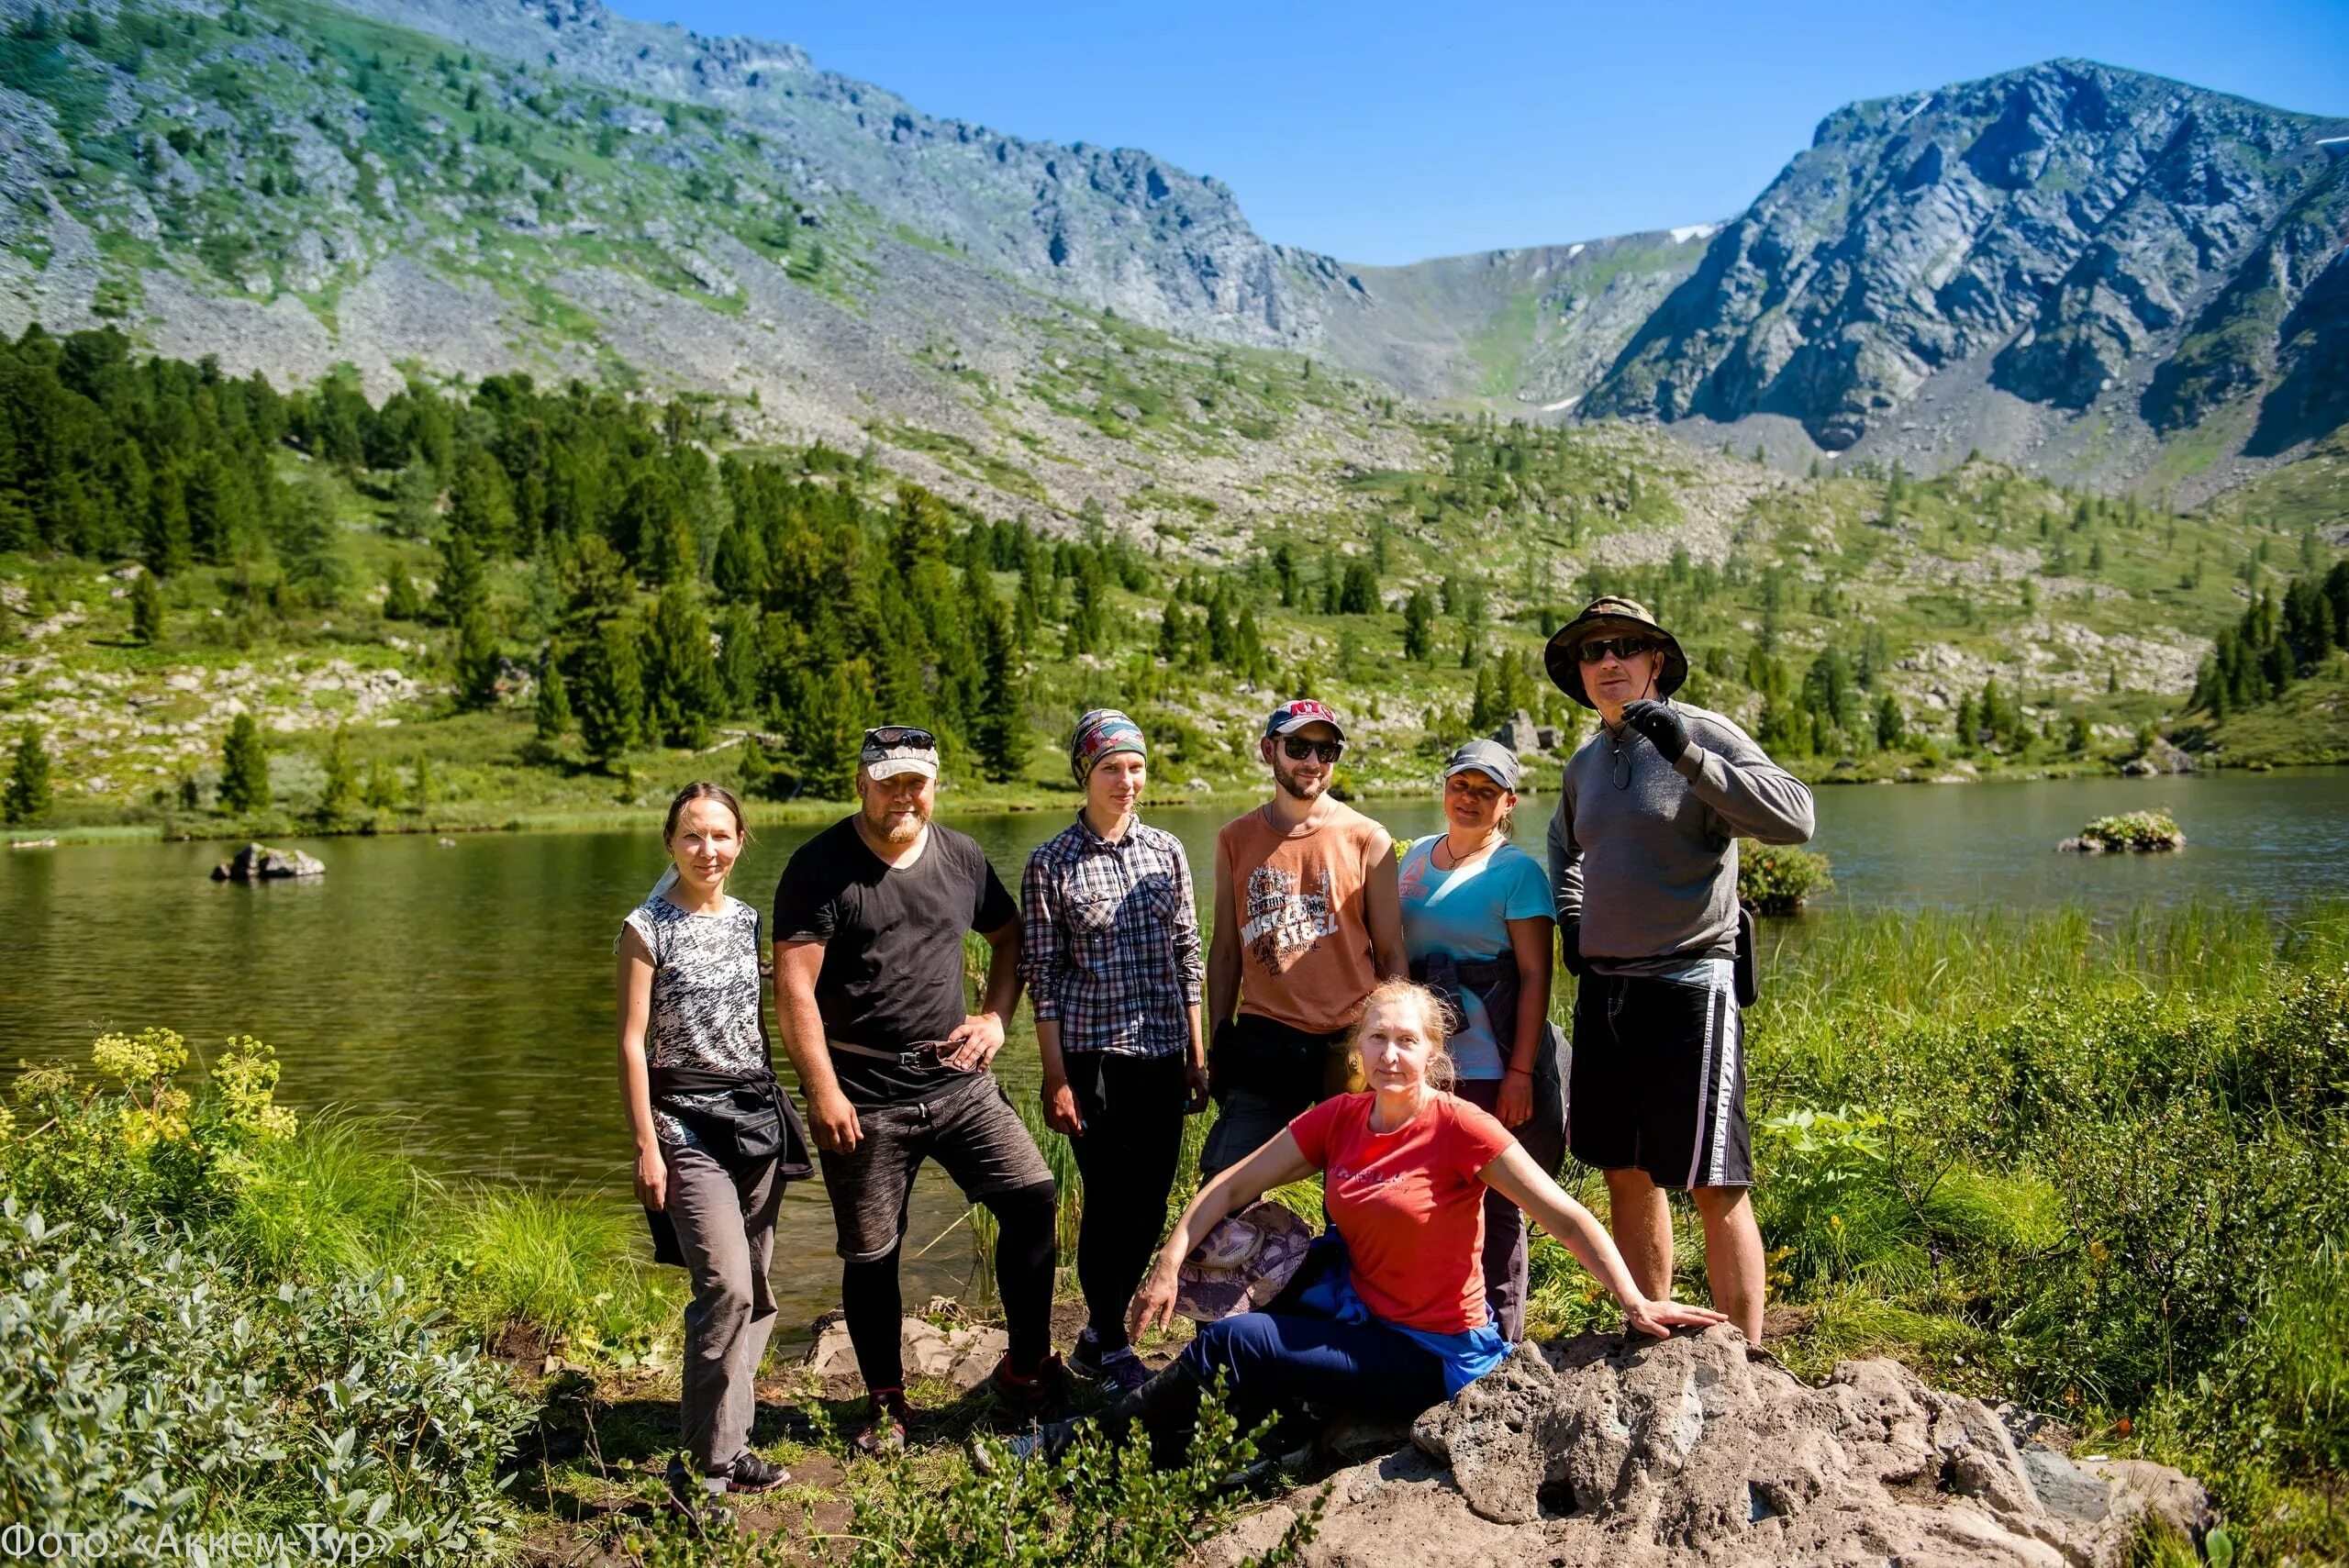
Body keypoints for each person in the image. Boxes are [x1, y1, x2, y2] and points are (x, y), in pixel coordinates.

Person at [985, 981, 1724, 1469]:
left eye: (1407, 1041)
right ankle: (1204, 1436)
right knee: (1272, 1282)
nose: (1391, 1054)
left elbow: (1563, 1215)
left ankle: (1074, 1446)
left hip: (1434, 1354)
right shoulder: (1342, 1118)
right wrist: (1171, 1258)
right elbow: (1235, 1182)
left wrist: (1635, 1300)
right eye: (1377, 1039)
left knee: (1238, 1341)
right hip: (1361, 1311)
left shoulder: (1462, 1128)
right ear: (1358, 1049)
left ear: (1434, 1053)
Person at [771, 726, 1068, 1453]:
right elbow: (794, 988)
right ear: (862, 783)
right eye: (890, 780)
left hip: (959, 1079)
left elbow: (1009, 936)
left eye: (917, 781)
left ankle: (1025, 1368)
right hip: (863, 1090)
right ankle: (886, 1402)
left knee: (1032, 1198)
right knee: (873, 1252)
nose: (905, 794)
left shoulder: (961, 856)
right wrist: (823, 1091)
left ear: (934, 785)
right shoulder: (818, 867)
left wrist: (997, 1017)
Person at [1542, 596, 1816, 1345]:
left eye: (1626, 647)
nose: (1609, 662)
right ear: (1580, 672)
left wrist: (1690, 757)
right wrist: (1573, 917)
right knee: (1624, 1169)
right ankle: (1651, 1331)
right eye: (1594, 651)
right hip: (1607, 989)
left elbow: (1796, 816)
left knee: (1713, 1178)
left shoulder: (1704, 732)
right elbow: (1565, 847)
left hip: (1692, 980)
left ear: (1655, 661)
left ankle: (1747, 1362)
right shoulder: (1586, 763)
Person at [617, 783, 813, 1520]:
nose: (709, 849)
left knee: (758, 1293)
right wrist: (648, 1144)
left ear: (741, 841)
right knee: (725, 1287)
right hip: (683, 1128)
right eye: (693, 835)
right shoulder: (646, 927)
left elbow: (758, 1022)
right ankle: (696, 1473)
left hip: (753, 1121)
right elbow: (632, 1042)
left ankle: (729, 1447)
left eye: (722, 835)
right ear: (670, 842)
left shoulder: (747, 921)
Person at [1020, 710, 1209, 1395]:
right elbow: (1042, 977)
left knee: (1153, 1197)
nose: (1126, 780)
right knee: (1106, 1199)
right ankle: (1106, 1333)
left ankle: (1101, 1334)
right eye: (1111, 768)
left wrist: (1196, 1051)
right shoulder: (1050, 862)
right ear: (1086, 773)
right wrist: (1054, 1076)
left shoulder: (1167, 851)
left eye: (1135, 767)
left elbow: (1188, 954)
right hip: (1092, 1056)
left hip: (1161, 1050)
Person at [1397, 739, 1562, 1342]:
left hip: (1489, 1061)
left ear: (1508, 802)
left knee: (1495, 1199)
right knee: (1427, 1194)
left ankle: (1500, 1335)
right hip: (1419, 1064)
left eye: (1485, 791)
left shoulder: (1516, 873)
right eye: (1461, 785)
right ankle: (1436, 1321)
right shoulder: (1414, 855)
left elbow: (1535, 976)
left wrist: (1520, 1072)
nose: (1469, 799)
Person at [1199, 698, 1406, 1178]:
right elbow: (1226, 950)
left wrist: (1398, 1039)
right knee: (1224, 1179)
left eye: (1326, 751)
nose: (1313, 762)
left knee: (1357, 1181)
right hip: (1266, 1035)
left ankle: (1340, 1255)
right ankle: (1260, 1252)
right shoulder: (1234, 838)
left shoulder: (1368, 838)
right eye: (1298, 747)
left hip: (1350, 1036)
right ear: (1268, 750)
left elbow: (1391, 950)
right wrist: (1216, 1041)